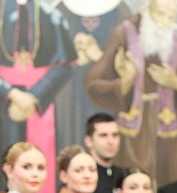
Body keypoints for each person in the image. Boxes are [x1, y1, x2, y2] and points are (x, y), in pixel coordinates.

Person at [84, 0, 177, 187]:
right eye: (160, 14)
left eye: (170, 16)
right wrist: (125, 82)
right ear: (146, 12)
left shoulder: (174, 46)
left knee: (167, 190)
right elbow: (93, 84)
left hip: (168, 139)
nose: (164, 22)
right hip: (133, 134)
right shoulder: (124, 35)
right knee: (132, 186)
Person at [0, 0, 77, 193]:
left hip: (39, 105)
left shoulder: (52, 16)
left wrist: (34, 97)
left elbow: (64, 66)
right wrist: (10, 95)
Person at [54, 0, 132, 152]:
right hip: (71, 93)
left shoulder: (119, 10)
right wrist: (74, 56)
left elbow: (129, 56)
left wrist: (98, 56)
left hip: (105, 90)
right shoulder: (62, 9)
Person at [84, 112, 124, 193]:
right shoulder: (82, 177)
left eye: (115, 135)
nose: (110, 141)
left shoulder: (124, 175)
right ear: (89, 141)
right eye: (103, 135)